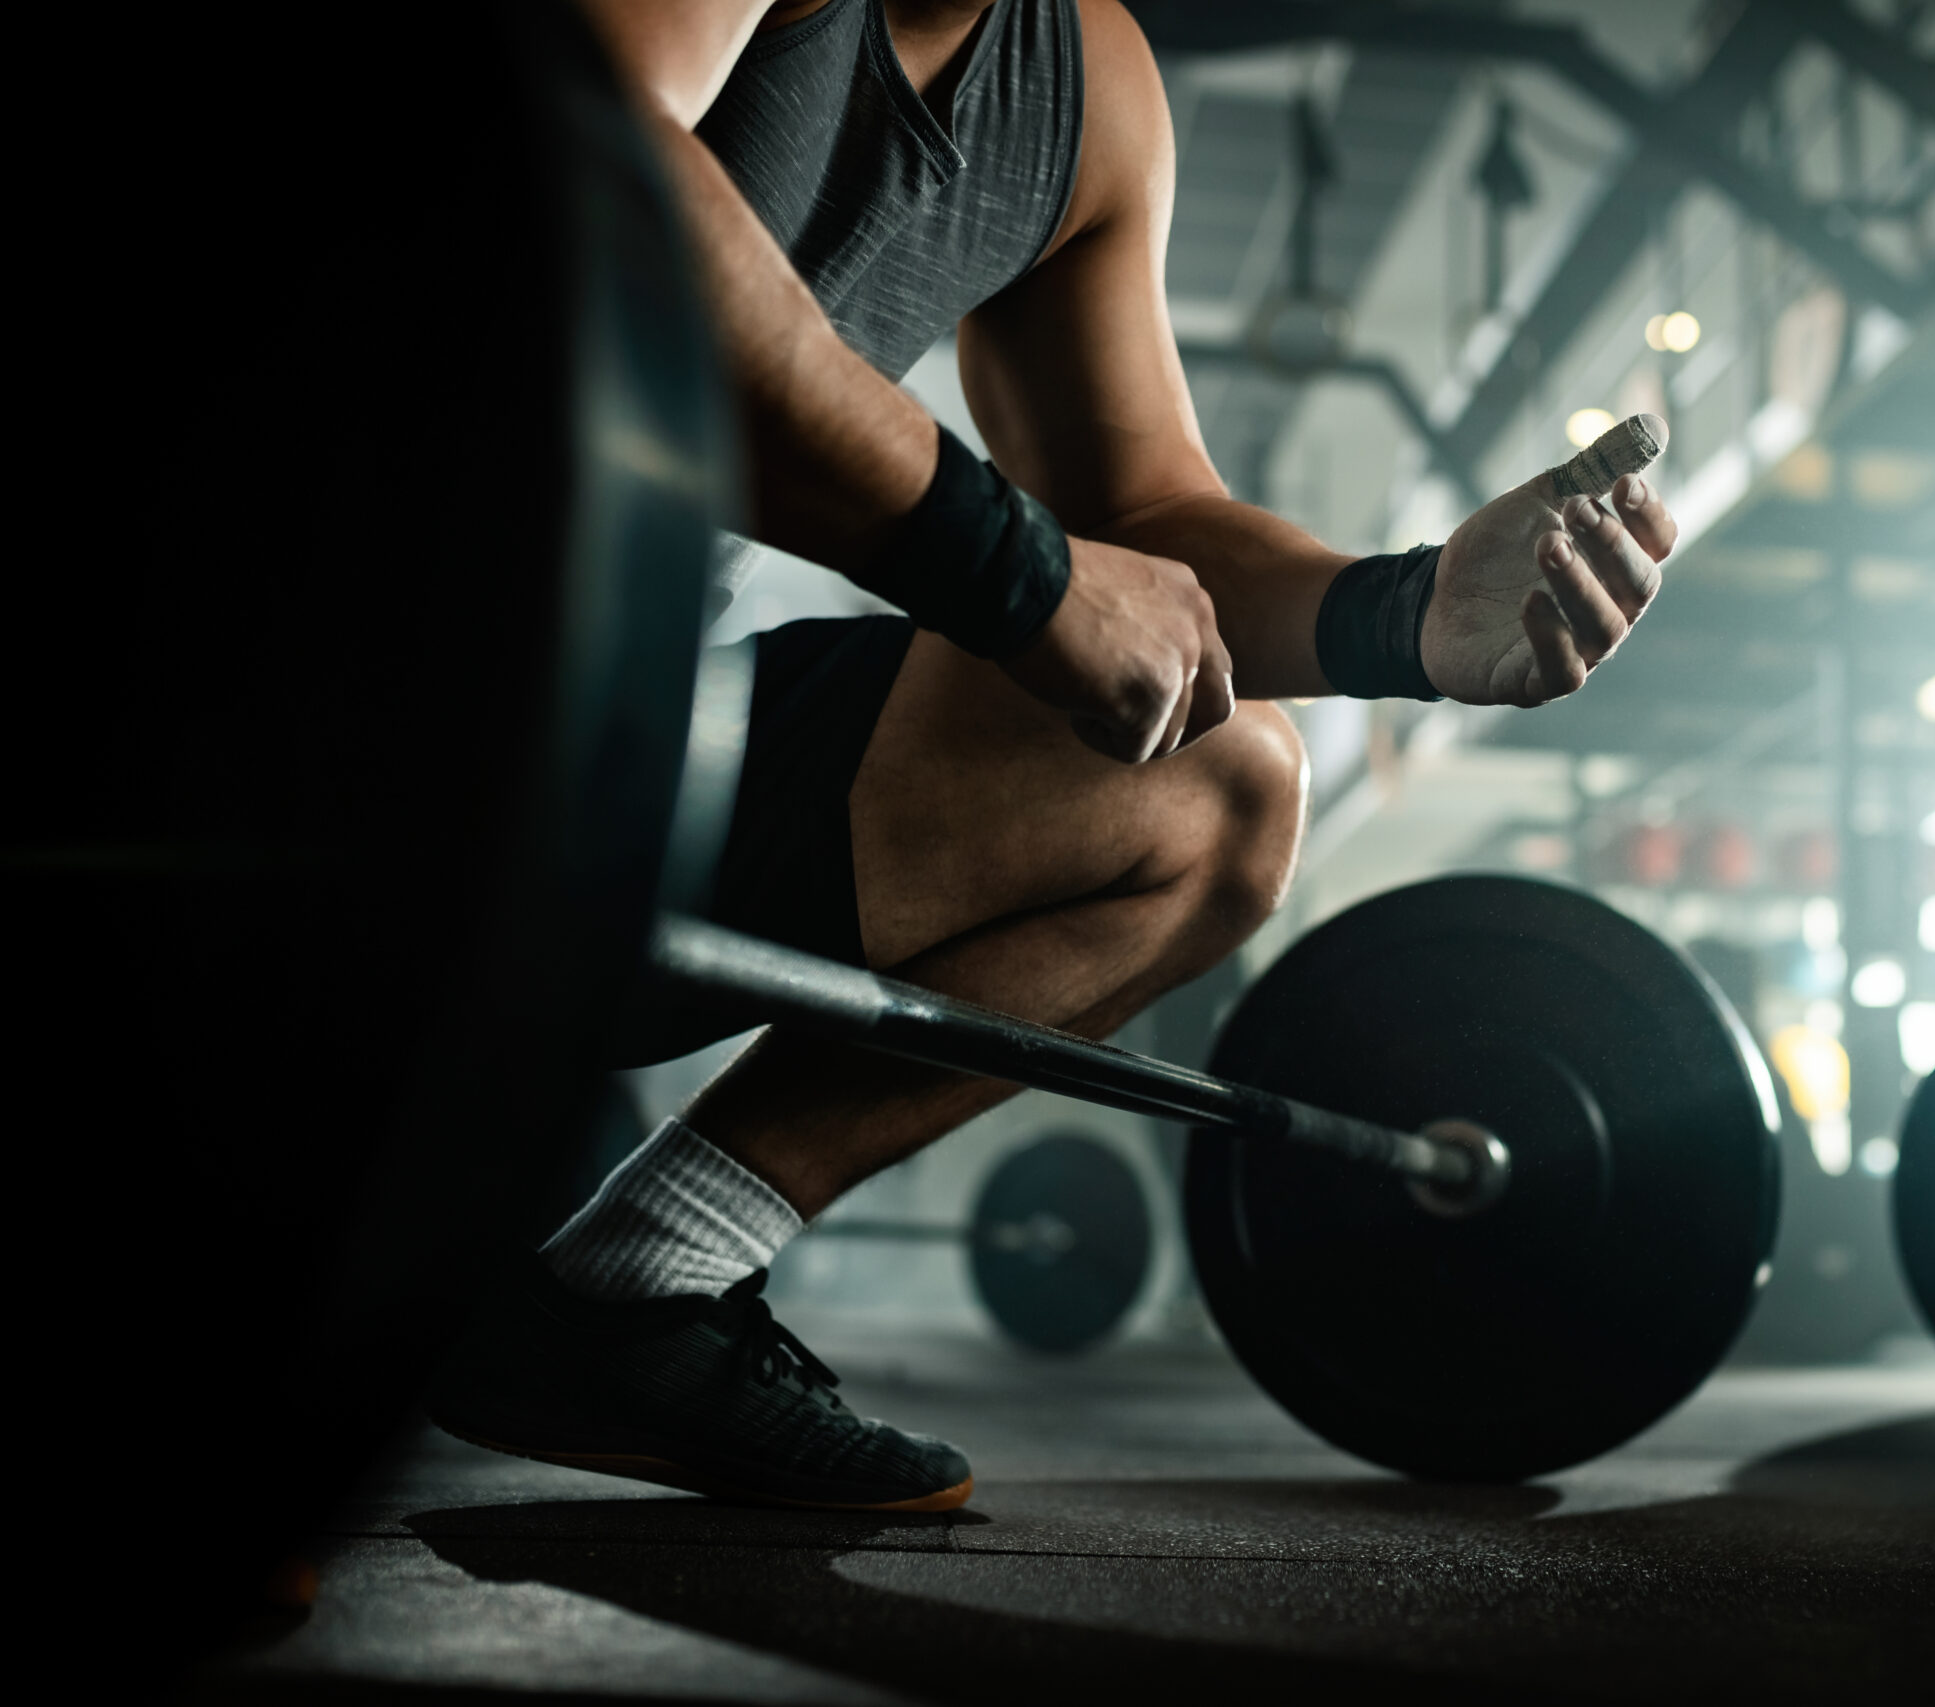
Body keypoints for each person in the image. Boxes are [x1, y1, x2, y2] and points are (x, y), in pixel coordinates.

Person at [429, 0, 1677, 1512]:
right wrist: (1013, 572)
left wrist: (1399, 613)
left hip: (597, 777)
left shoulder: (1092, 85)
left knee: (1216, 795)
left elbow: (1140, 518)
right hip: (296, 701)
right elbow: (591, 169)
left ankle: (628, 1298)